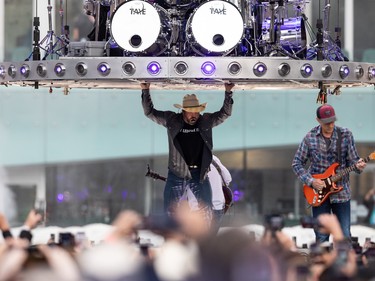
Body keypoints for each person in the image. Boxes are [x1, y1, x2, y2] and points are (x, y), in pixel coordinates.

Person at [140, 82, 235, 225]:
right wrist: (145, 90)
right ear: (183, 111)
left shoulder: (205, 121)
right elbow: (149, 112)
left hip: (200, 174)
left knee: (207, 210)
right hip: (177, 172)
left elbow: (225, 113)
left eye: (197, 111)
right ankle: (172, 239)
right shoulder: (172, 119)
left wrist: (228, 92)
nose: (194, 115)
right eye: (191, 111)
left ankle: (204, 240)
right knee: (169, 211)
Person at [292, 104, 366, 243]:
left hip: (341, 194)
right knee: (321, 236)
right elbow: (296, 163)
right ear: (318, 120)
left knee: (344, 235)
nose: (330, 125)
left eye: (333, 121)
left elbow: (353, 161)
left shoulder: (345, 135)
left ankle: (343, 264)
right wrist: (311, 181)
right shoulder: (310, 138)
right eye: (327, 122)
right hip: (318, 194)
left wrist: (359, 166)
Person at [186, 155, 232, 231]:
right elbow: (228, 178)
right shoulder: (213, 158)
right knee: (210, 240)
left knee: (199, 240)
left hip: (197, 209)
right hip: (217, 207)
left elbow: (181, 188)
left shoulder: (185, 159)